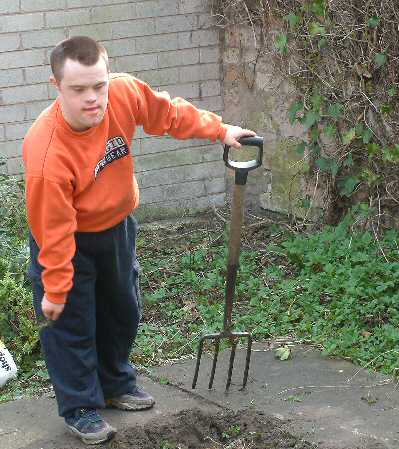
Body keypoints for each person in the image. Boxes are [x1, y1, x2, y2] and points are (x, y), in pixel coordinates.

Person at [22, 35, 255, 445]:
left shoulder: (125, 92)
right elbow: (53, 231)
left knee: (123, 310)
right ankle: (80, 407)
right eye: (79, 89)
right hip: (67, 240)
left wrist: (222, 130)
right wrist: (54, 289)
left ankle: (115, 383)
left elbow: (168, 114)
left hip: (116, 226)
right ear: (56, 86)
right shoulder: (46, 151)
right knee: (70, 326)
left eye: (100, 85)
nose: (93, 98)